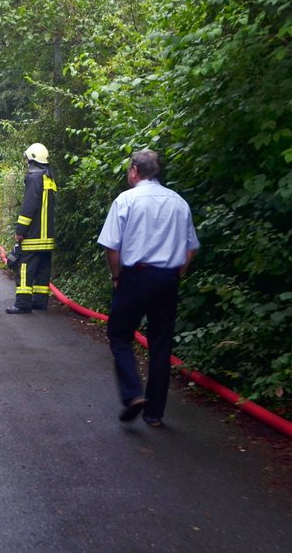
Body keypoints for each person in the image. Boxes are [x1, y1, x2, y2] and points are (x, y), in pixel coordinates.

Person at [96, 149, 200, 428]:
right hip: (167, 279)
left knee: (119, 335)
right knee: (161, 344)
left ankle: (132, 394)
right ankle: (154, 413)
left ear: (134, 171)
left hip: (135, 278)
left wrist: (117, 277)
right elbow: (190, 249)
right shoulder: (179, 202)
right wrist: (176, 273)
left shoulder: (126, 200)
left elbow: (112, 247)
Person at [6, 143, 56, 314]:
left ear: (32, 158)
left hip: (34, 236)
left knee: (25, 267)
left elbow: (29, 207)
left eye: (27, 159)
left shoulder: (34, 178)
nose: (27, 163)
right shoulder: (48, 177)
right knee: (43, 268)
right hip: (47, 235)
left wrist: (21, 230)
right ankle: (40, 302)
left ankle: (23, 303)